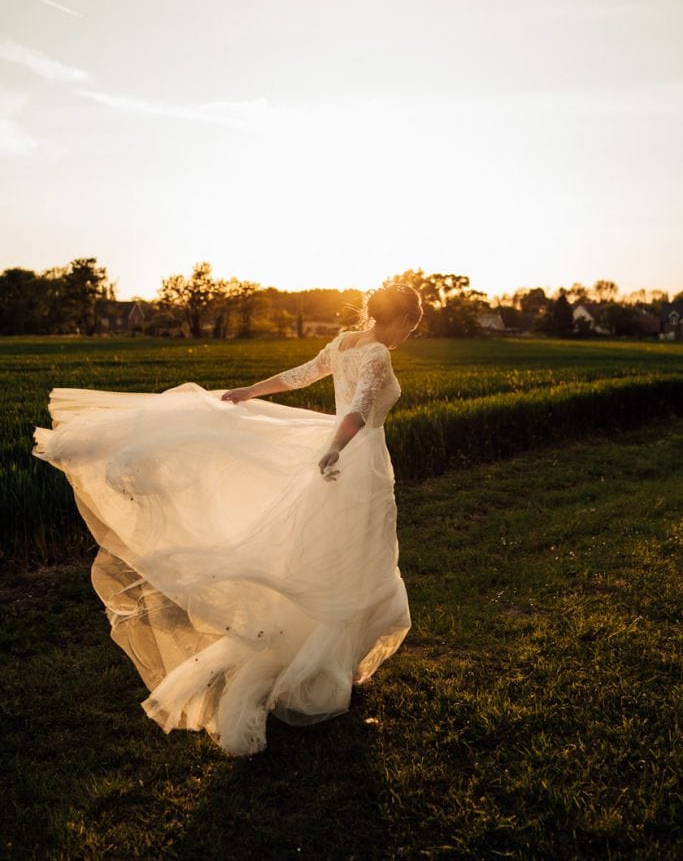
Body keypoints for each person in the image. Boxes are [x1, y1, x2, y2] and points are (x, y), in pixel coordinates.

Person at [33, 283, 423, 756]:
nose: (408, 335)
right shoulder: (378, 353)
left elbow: (300, 375)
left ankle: (333, 656)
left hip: (342, 457)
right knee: (357, 558)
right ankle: (327, 665)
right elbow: (360, 412)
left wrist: (251, 390)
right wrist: (336, 448)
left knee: (331, 554)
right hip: (356, 464)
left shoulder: (343, 342)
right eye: (411, 327)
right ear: (403, 320)